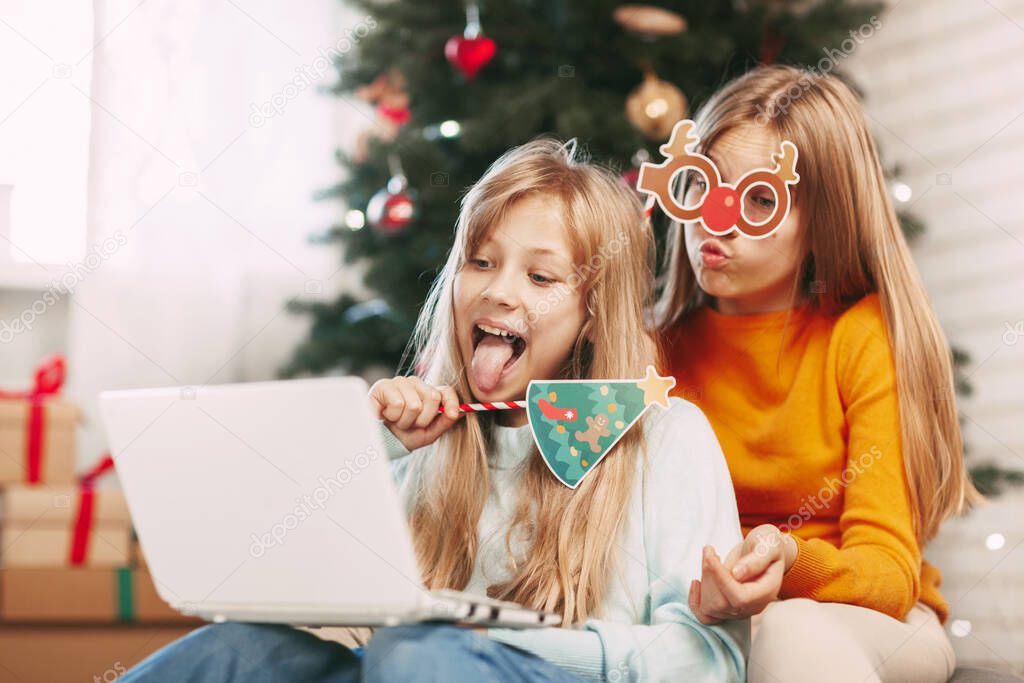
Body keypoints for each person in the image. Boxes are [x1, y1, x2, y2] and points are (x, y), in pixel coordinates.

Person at [121, 138, 747, 682]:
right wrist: (370, 447)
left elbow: (709, 662)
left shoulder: (668, 441)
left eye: (541, 277)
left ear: (591, 318)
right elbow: (273, 571)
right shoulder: (418, 437)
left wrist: (492, 641)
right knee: (235, 652)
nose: (498, 291)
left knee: (419, 655)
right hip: (401, 668)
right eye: (481, 262)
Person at [657, 64, 977, 683]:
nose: (716, 219)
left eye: (758, 198)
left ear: (821, 222)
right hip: (714, 625)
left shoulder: (860, 338)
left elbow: (886, 571)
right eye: (704, 185)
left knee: (787, 626)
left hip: (874, 621)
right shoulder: (651, 352)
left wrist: (786, 557)